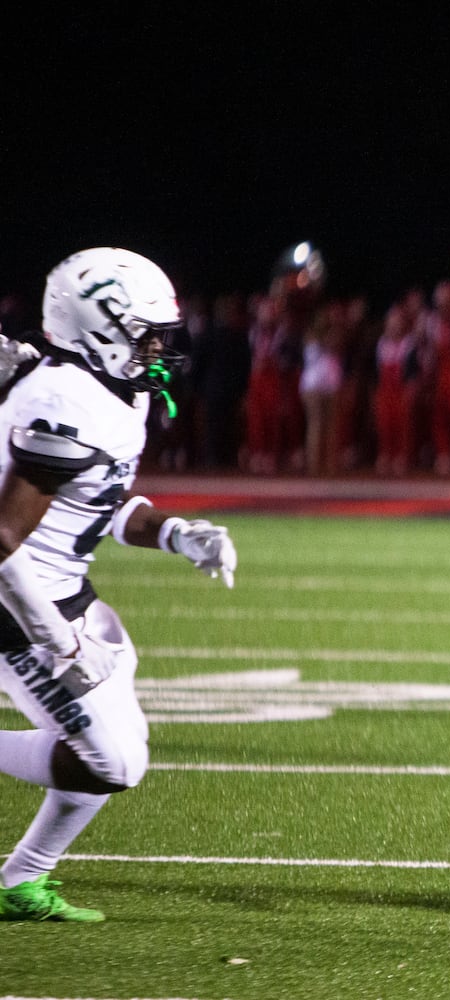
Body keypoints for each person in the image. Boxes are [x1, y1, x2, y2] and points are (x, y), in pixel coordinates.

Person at [0, 248, 238, 922]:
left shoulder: (110, 391)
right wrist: (61, 643)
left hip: (57, 589)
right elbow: (1, 543)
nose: (158, 348)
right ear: (96, 327)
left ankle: (19, 882)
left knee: (115, 746)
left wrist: (174, 532)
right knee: (111, 761)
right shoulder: (63, 402)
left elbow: (95, 502)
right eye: (145, 333)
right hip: (18, 604)